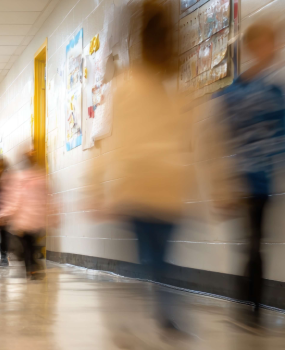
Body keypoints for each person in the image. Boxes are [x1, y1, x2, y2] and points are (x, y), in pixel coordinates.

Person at [87, 0, 193, 331]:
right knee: (160, 254)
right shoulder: (181, 86)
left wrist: (96, 186)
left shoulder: (125, 86)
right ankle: (166, 307)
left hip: (138, 187)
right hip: (169, 186)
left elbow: (107, 141)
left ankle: (161, 303)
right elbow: (200, 140)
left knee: (151, 255)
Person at [211, 19, 285, 327]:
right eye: (266, 43)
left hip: (264, 181)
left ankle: (252, 308)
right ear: (252, 48)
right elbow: (215, 134)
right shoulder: (234, 92)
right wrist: (219, 183)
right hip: (240, 180)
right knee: (252, 243)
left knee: (257, 243)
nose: (273, 49)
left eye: (274, 44)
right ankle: (248, 308)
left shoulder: (276, 91)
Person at [0, 150, 48, 280]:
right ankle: (32, 268)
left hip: (27, 219)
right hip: (24, 219)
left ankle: (32, 268)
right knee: (26, 245)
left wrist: (4, 214)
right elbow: (10, 201)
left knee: (27, 245)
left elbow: (15, 200)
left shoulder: (22, 178)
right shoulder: (19, 178)